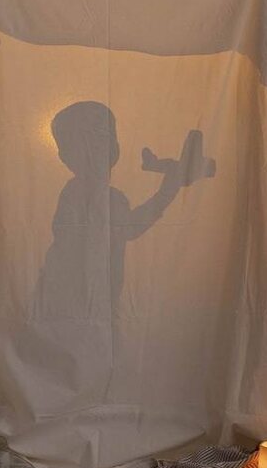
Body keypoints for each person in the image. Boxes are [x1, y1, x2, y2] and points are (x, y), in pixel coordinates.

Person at [34, 101, 215, 317]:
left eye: (107, 137)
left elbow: (121, 229)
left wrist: (170, 187)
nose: (103, 147)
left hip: (84, 301)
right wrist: (168, 189)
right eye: (92, 139)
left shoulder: (103, 195)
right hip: (68, 302)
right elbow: (127, 228)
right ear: (65, 155)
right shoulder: (80, 193)